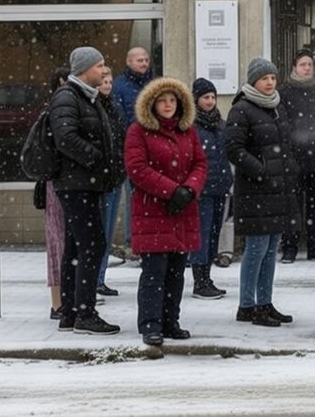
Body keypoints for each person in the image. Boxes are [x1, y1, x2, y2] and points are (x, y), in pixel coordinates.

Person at [124, 78, 208, 347]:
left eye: (172, 100)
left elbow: (200, 164)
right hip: (153, 211)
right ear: (153, 104)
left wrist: (190, 190)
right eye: (163, 100)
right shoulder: (138, 132)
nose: (168, 105)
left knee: (176, 271)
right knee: (154, 271)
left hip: (182, 212)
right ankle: (151, 324)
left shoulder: (188, 131)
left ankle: (171, 321)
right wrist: (172, 191)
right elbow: (137, 168)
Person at [49, 46, 124, 335]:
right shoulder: (69, 96)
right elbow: (65, 138)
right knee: (92, 245)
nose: (104, 70)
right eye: (100, 65)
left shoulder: (85, 97)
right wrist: (97, 159)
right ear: (84, 69)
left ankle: (70, 312)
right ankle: (85, 313)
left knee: (77, 248)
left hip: (84, 184)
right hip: (76, 184)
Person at [226, 58, 299, 328]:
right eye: (264, 78)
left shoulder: (276, 106)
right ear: (253, 80)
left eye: (273, 77)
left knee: (271, 249)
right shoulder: (242, 109)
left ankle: (265, 303)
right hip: (256, 190)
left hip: (278, 190)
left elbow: (285, 143)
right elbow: (233, 148)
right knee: (256, 248)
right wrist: (261, 170)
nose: (270, 82)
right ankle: (247, 305)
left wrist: (288, 169)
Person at [100, 46, 154, 290]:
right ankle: (132, 243)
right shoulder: (120, 87)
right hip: (123, 156)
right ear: (128, 61)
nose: (143, 63)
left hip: (148, 154)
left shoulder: (154, 84)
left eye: (146, 59)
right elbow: (122, 123)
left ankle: (142, 246)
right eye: (139, 60)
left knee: (144, 204)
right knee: (110, 217)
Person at [279, 49, 315, 263]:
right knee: (292, 207)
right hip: (294, 159)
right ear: (295, 67)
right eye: (303, 64)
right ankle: (290, 248)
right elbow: (282, 126)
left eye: (310, 65)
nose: (307, 68)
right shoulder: (284, 93)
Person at [189, 77, 234, 299]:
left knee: (214, 234)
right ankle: (200, 280)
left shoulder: (220, 124)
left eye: (213, 97)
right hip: (201, 190)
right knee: (202, 235)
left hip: (219, 186)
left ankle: (207, 276)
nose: (210, 101)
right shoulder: (191, 126)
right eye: (206, 97)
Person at [95, 66, 127, 299]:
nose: (107, 85)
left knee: (107, 231)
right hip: (100, 178)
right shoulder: (93, 108)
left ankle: (100, 277)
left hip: (115, 175)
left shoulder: (115, 108)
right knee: (97, 231)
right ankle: (93, 278)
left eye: (109, 81)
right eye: (102, 81)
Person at [43, 66, 70, 321]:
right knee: (57, 243)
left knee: (70, 244)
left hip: (70, 183)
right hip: (57, 184)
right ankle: (58, 301)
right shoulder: (53, 113)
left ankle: (68, 299)